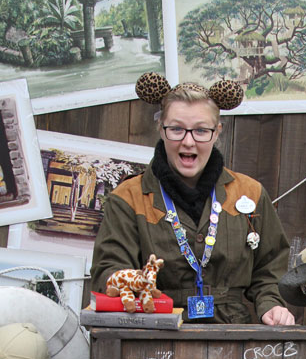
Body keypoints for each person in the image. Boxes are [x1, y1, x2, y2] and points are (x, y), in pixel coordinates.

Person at [90, 73, 295, 326]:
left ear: (217, 132)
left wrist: (270, 304)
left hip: (232, 335)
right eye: (176, 129)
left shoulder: (249, 193)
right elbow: (108, 271)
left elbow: (270, 268)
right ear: (161, 130)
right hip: (154, 333)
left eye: (200, 130)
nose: (188, 142)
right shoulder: (128, 198)